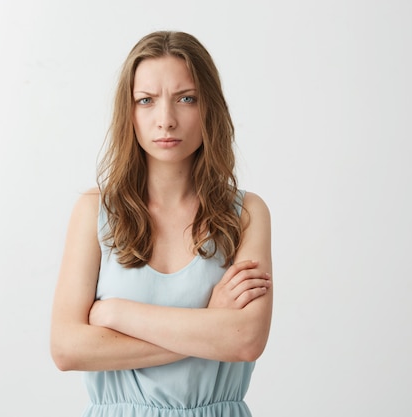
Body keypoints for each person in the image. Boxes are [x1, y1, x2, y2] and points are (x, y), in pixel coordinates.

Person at [50, 30, 273, 417]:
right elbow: (68, 349)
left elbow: (245, 340)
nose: (165, 120)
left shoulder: (247, 214)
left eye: (186, 99)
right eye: (146, 101)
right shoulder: (94, 211)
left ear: (209, 109)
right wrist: (208, 325)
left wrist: (116, 314)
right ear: (129, 112)